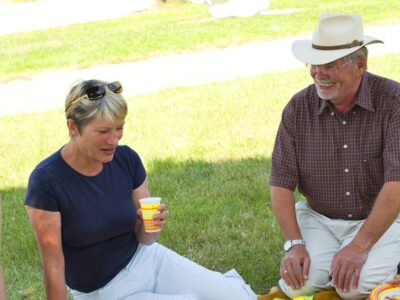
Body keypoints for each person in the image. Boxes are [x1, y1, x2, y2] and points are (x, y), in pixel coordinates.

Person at [25, 79, 257, 300]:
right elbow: (53, 266)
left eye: (119, 128)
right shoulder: (46, 181)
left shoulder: (126, 159)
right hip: (103, 293)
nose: (114, 140)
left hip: (148, 260)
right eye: (103, 131)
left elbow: (146, 239)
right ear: (73, 127)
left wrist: (149, 224)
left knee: (236, 296)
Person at [269, 13, 400, 300]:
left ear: (360, 65)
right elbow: (280, 183)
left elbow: (397, 183)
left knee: (354, 289)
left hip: (381, 218)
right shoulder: (297, 108)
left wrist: (360, 246)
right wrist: (294, 244)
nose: (318, 74)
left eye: (329, 66)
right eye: (314, 65)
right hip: (319, 217)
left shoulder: (393, 102)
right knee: (297, 285)